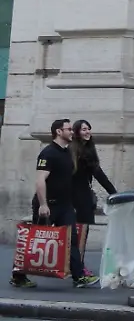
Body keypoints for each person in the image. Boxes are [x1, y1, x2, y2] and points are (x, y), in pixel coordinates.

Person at [10, 119, 100, 289]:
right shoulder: (48, 154)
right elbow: (40, 181)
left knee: (71, 240)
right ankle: (18, 276)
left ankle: (78, 276)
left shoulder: (68, 153)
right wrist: (43, 205)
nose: (72, 132)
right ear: (59, 132)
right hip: (47, 206)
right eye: (68, 129)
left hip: (65, 205)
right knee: (34, 241)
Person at [70, 119, 117, 277]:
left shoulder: (87, 150)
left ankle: (77, 265)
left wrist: (113, 192)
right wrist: (113, 192)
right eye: (83, 129)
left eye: (88, 129)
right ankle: (77, 267)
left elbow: (98, 174)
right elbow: (97, 174)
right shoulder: (75, 150)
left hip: (83, 196)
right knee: (77, 234)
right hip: (76, 197)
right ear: (76, 132)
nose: (87, 132)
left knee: (80, 233)